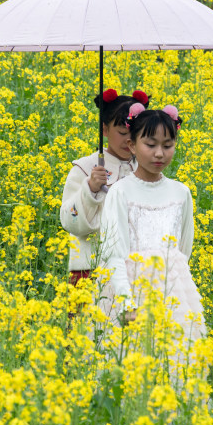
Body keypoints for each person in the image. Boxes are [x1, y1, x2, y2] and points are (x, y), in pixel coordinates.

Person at [97, 103, 206, 352]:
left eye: (168, 146)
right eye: (150, 145)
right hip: (131, 293)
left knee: (176, 365)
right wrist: (126, 304)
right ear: (132, 145)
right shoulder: (120, 192)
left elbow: (183, 250)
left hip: (173, 294)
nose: (159, 153)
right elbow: (113, 252)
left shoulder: (182, 193)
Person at [60, 88, 150, 285]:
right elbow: (68, 221)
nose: (129, 140)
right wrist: (90, 189)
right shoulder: (84, 169)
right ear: (104, 130)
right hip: (89, 270)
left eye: (136, 133)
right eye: (122, 133)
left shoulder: (146, 169)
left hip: (135, 271)